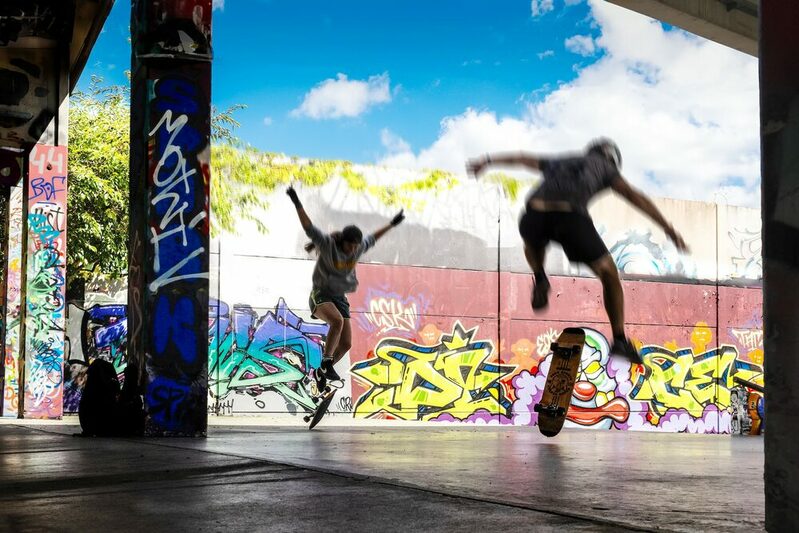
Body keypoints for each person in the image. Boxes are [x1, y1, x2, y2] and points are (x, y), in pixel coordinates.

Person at [466, 138, 688, 364]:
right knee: (609, 274)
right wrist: (668, 228)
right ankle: (620, 340)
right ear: (611, 159)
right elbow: (635, 197)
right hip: (570, 217)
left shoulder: (562, 161)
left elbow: (522, 158)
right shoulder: (606, 167)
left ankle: (540, 276)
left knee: (533, 240)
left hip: (533, 213)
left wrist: (487, 161)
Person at [287, 185, 405, 388]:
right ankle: (325, 363)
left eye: (356, 247)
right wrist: (297, 201)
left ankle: (320, 374)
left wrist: (392, 224)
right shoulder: (328, 244)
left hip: (340, 298)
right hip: (320, 294)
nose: (353, 251)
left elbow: (373, 238)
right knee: (337, 321)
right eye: (350, 246)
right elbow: (309, 227)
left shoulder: (359, 248)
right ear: (343, 242)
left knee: (347, 343)